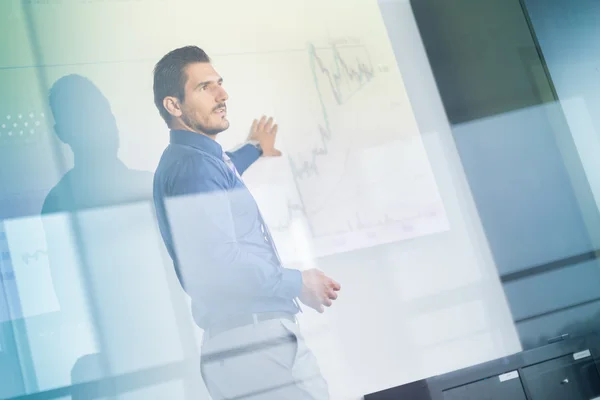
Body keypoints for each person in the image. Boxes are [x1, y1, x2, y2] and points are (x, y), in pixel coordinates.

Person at [152, 46, 341, 399]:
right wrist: (299, 283)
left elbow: (224, 174)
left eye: (219, 83)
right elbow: (222, 264)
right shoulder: (194, 169)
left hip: (246, 346)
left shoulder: (195, 162)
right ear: (174, 106)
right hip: (257, 347)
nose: (222, 94)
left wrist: (254, 148)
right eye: (204, 87)